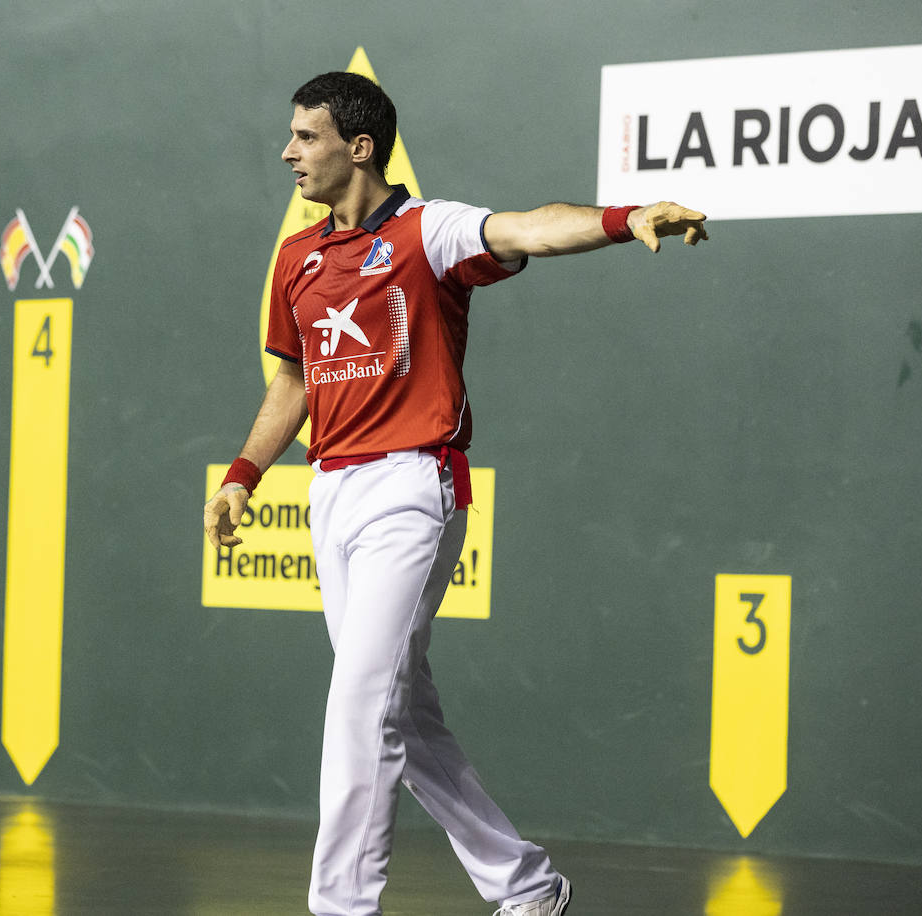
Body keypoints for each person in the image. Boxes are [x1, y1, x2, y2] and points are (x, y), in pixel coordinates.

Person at [203, 71, 708, 916]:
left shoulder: (426, 231)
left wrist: (627, 219)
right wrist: (243, 477)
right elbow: (293, 380)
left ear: (359, 147)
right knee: (401, 711)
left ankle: (339, 907)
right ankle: (527, 886)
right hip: (331, 495)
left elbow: (530, 228)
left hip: (412, 485)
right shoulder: (297, 258)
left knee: (361, 701)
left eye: (306, 136)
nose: (288, 151)